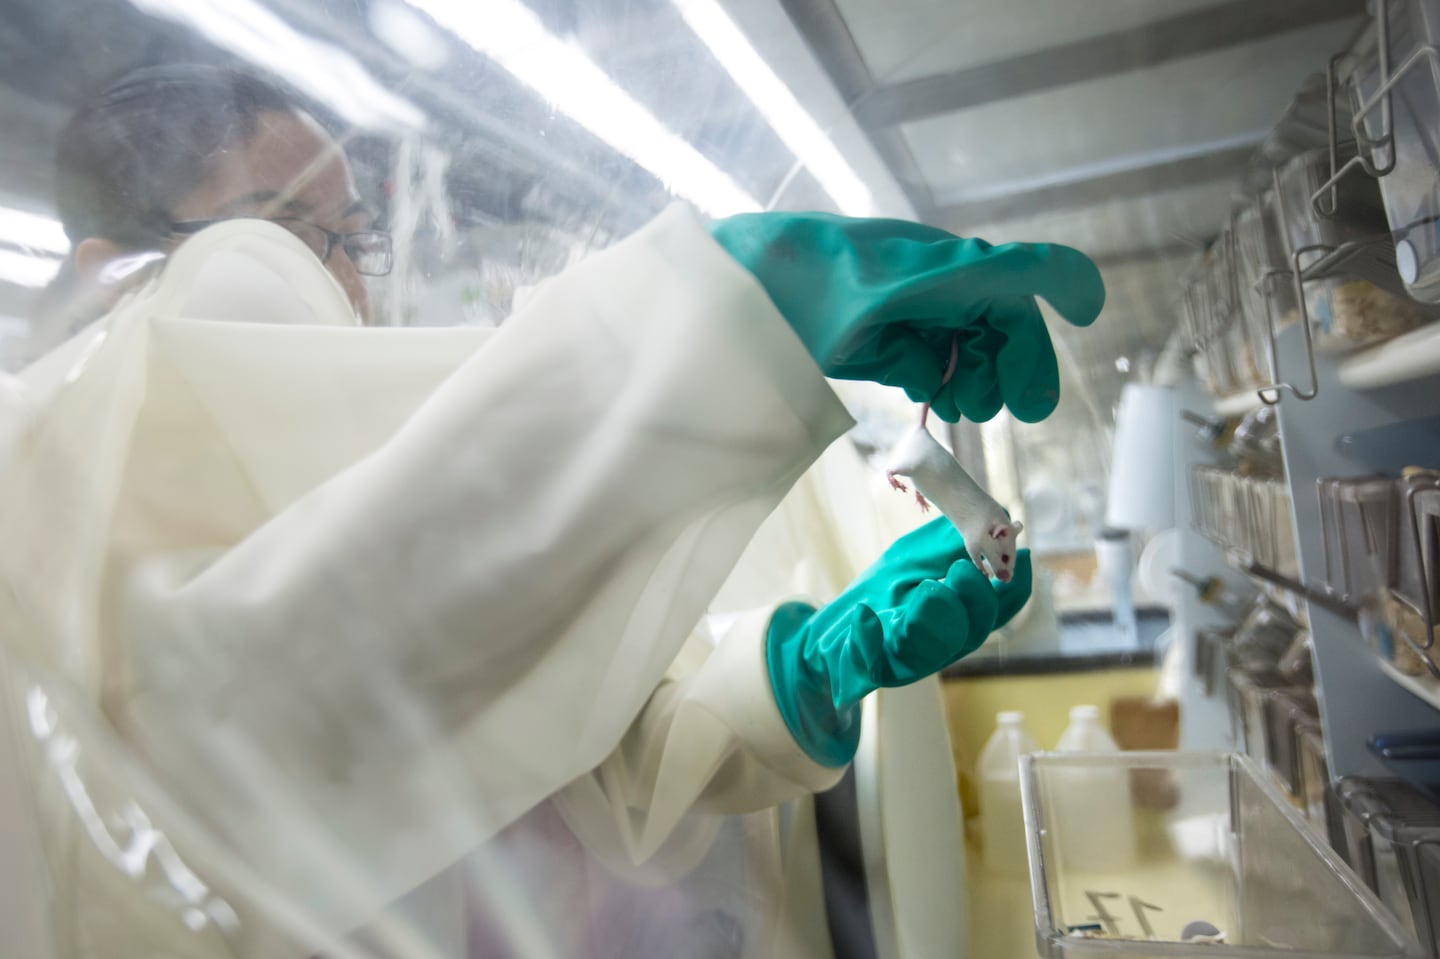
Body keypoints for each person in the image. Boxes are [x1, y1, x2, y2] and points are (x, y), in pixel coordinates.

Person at [0, 64, 1103, 957]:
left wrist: (804, 674)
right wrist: (714, 328)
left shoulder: (369, 470)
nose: (343, 285)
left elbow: (559, 782)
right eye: (285, 238)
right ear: (112, 278)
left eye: (354, 236)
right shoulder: (37, 498)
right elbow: (237, 735)